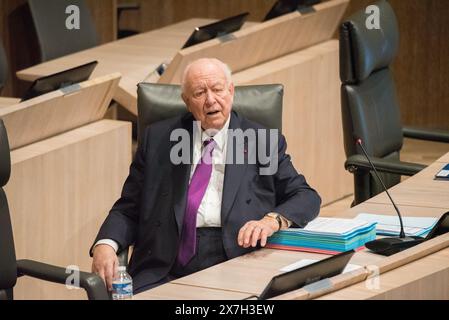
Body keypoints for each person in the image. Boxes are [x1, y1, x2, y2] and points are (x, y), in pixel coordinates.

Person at [91, 58, 321, 294]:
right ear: (187, 101)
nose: (211, 100)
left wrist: (272, 221)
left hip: (236, 258)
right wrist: (106, 244)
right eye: (200, 92)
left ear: (230, 91)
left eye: (218, 89)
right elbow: (129, 207)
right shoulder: (159, 139)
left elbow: (306, 196)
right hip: (165, 264)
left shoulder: (260, 141)